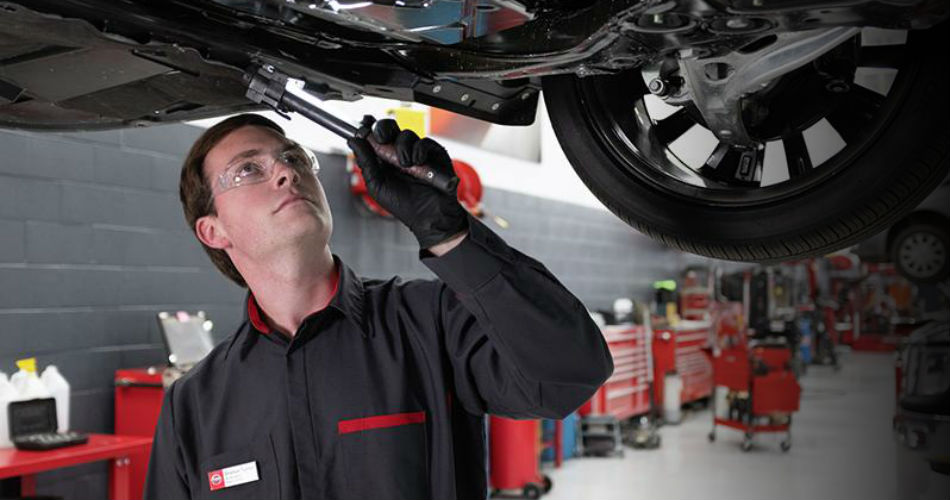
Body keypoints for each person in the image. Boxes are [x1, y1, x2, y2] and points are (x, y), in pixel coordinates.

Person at [144, 113, 613, 500]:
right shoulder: (195, 404)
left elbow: (568, 375)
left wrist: (450, 233)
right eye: (249, 169)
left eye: (292, 157)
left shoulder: (430, 323)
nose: (286, 172)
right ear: (213, 231)